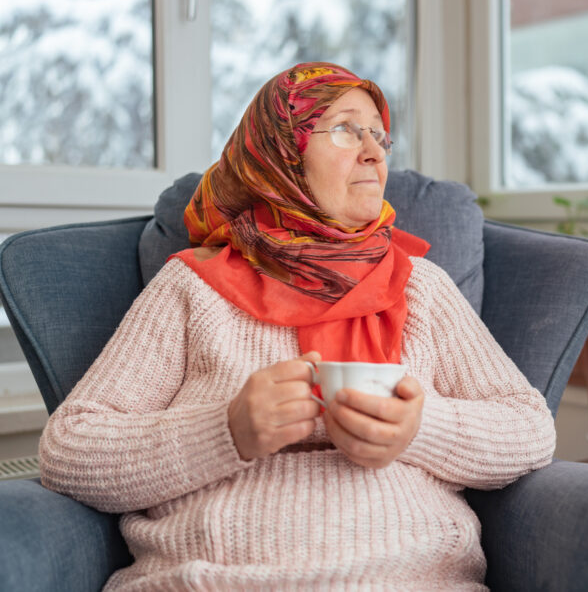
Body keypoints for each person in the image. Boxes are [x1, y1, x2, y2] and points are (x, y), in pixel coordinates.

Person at [38, 62, 557, 590]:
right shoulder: (192, 287)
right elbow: (70, 450)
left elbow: (530, 429)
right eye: (346, 129)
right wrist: (225, 432)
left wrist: (418, 430)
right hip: (210, 580)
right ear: (279, 153)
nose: (375, 151)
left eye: (379, 134)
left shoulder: (422, 286)